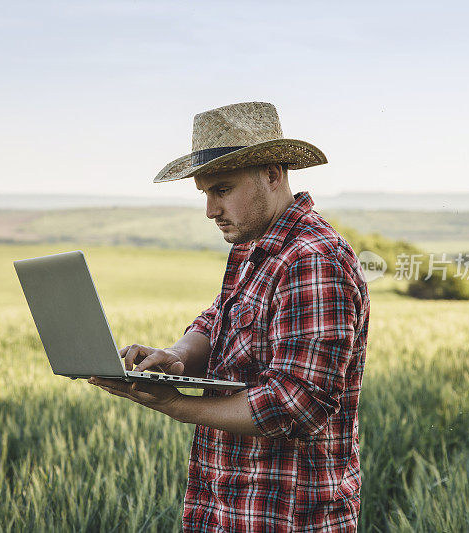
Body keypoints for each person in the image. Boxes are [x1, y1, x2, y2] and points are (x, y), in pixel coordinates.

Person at [89, 101, 370, 532]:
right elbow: (219, 318)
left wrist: (177, 405)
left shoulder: (313, 259)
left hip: (288, 519)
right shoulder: (253, 247)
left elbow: (296, 404)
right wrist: (175, 357)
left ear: (273, 174)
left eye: (222, 189)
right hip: (228, 511)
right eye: (205, 193)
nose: (210, 210)